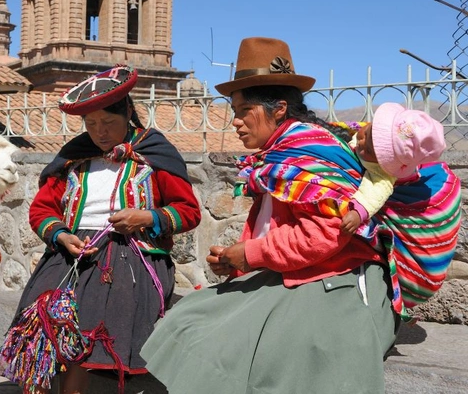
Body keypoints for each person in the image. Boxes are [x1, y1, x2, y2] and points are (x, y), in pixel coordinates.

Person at [140, 37, 400, 394]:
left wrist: (248, 255)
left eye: (244, 110)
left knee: (246, 345)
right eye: (234, 111)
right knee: (190, 318)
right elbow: (275, 224)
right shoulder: (281, 152)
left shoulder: (307, 154)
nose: (235, 122)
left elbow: (326, 234)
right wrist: (237, 261)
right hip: (299, 270)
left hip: (335, 279)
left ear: (278, 108)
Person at [5, 65, 201, 394]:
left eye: (108, 122)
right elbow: (42, 209)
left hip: (134, 258)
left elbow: (188, 211)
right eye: (92, 124)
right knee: (39, 317)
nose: (100, 132)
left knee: (88, 311)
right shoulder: (75, 156)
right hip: (70, 254)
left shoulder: (153, 153)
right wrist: (61, 235)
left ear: (127, 112)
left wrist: (146, 218)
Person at [340, 102, 446, 234]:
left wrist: (358, 214)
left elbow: (375, 193)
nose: (361, 142)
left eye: (368, 150)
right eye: (366, 133)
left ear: (383, 160)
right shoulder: (368, 137)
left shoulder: (383, 172)